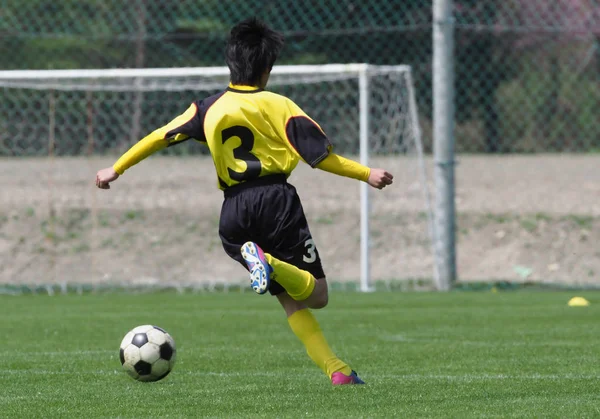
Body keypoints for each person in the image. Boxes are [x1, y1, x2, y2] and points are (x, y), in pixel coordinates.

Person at [96, 17, 393, 385]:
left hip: (233, 212)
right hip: (276, 202)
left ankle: (338, 371)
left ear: (230, 63)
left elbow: (160, 136)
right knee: (317, 295)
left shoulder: (207, 107)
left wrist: (117, 168)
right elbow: (319, 158)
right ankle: (267, 262)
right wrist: (367, 173)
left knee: (290, 300)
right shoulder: (280, 105)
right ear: (267, 69)